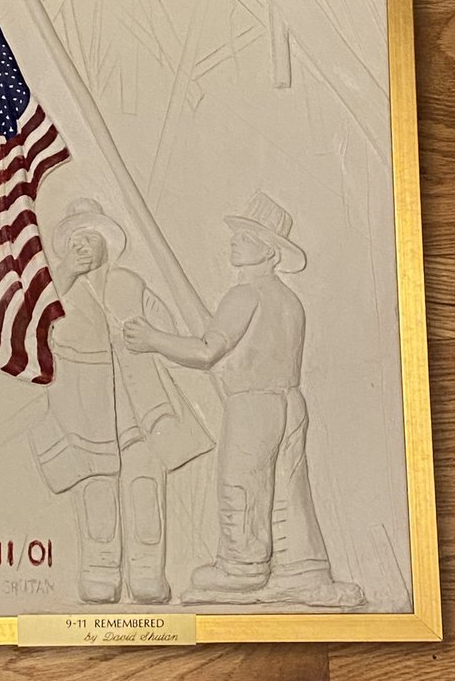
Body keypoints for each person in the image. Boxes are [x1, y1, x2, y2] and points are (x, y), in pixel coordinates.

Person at [124, 191, 363, 607]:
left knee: (242, 483)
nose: (234, 241)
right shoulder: (290, 300)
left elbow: (206, 351)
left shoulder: (245, 295)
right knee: (288, 488)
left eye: (246, 237)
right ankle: (301, 571)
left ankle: (242, 570)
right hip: (290, 403)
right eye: (237, 235)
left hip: (253, 405)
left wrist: (152, 339)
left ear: (269, 250)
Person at [29, 198, 213, 604]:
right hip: (83, 407)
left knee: (144, 484)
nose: (82, 246)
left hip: (138, 406)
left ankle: (147, 571)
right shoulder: (54, 290)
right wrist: (63, 274)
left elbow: (166, 331)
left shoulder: (130, 284)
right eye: (75, 240)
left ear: (106, 244)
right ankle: (100, 570)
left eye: (90, 238)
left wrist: (157, 340)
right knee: (96, 488)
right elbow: (30, 330)